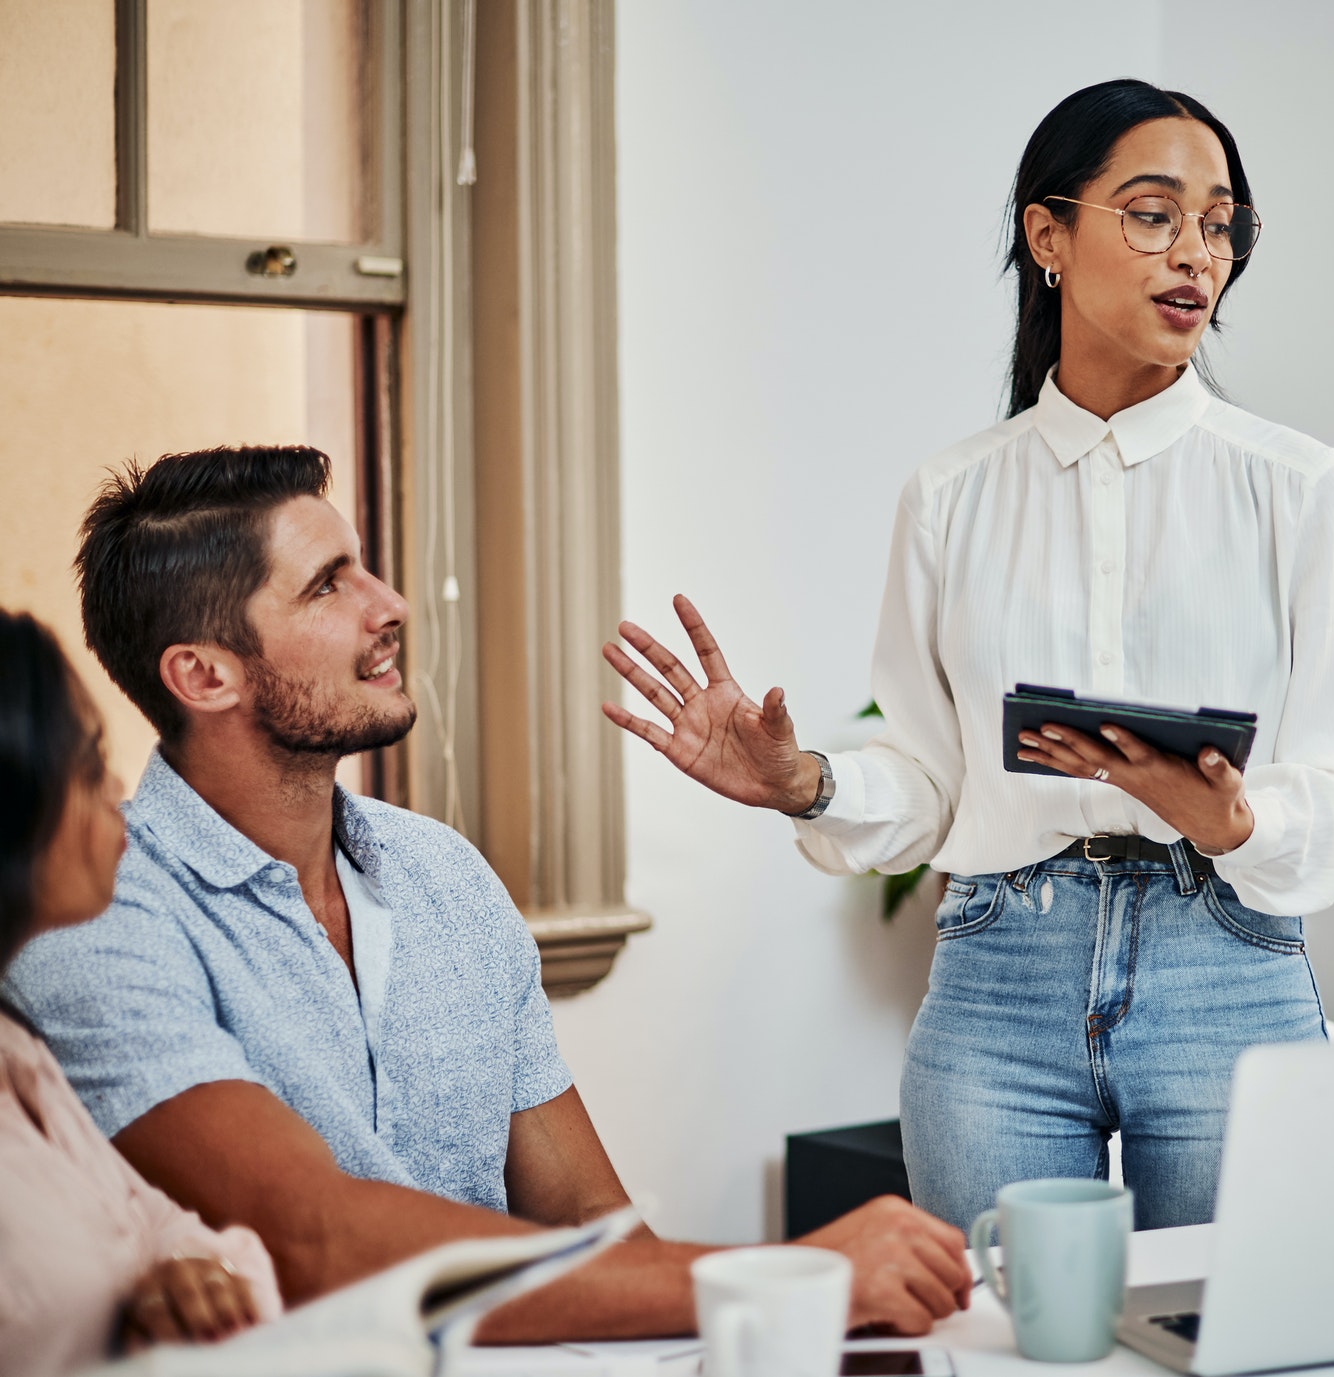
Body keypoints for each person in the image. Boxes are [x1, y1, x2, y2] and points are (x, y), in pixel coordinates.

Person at [603, 79, 1334, 1233]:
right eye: (1151, 212)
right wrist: (805, 782)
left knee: (1227, 1340)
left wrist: (1230, 819)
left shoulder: (1297, 487)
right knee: (993, 1335)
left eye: (1219, 222)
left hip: (1222, 963)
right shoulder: (949, 495)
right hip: (998, 981)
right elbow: (930, 783)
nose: (1195, 253)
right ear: (1048, 235)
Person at [4, 446, 970, 1343]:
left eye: (364, 566)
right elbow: (313, 1244)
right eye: (328, 584)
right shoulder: (90, 914)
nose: (389, 604)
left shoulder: (445, 877)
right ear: (205, 675)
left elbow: (597, 1225)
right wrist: (787, 1274)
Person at [0, 609, 283, 1375]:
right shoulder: (107, 943)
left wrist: (183, 1281)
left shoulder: (17, 1050)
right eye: (89, 766)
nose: (116, 790)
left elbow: (175, 1229)